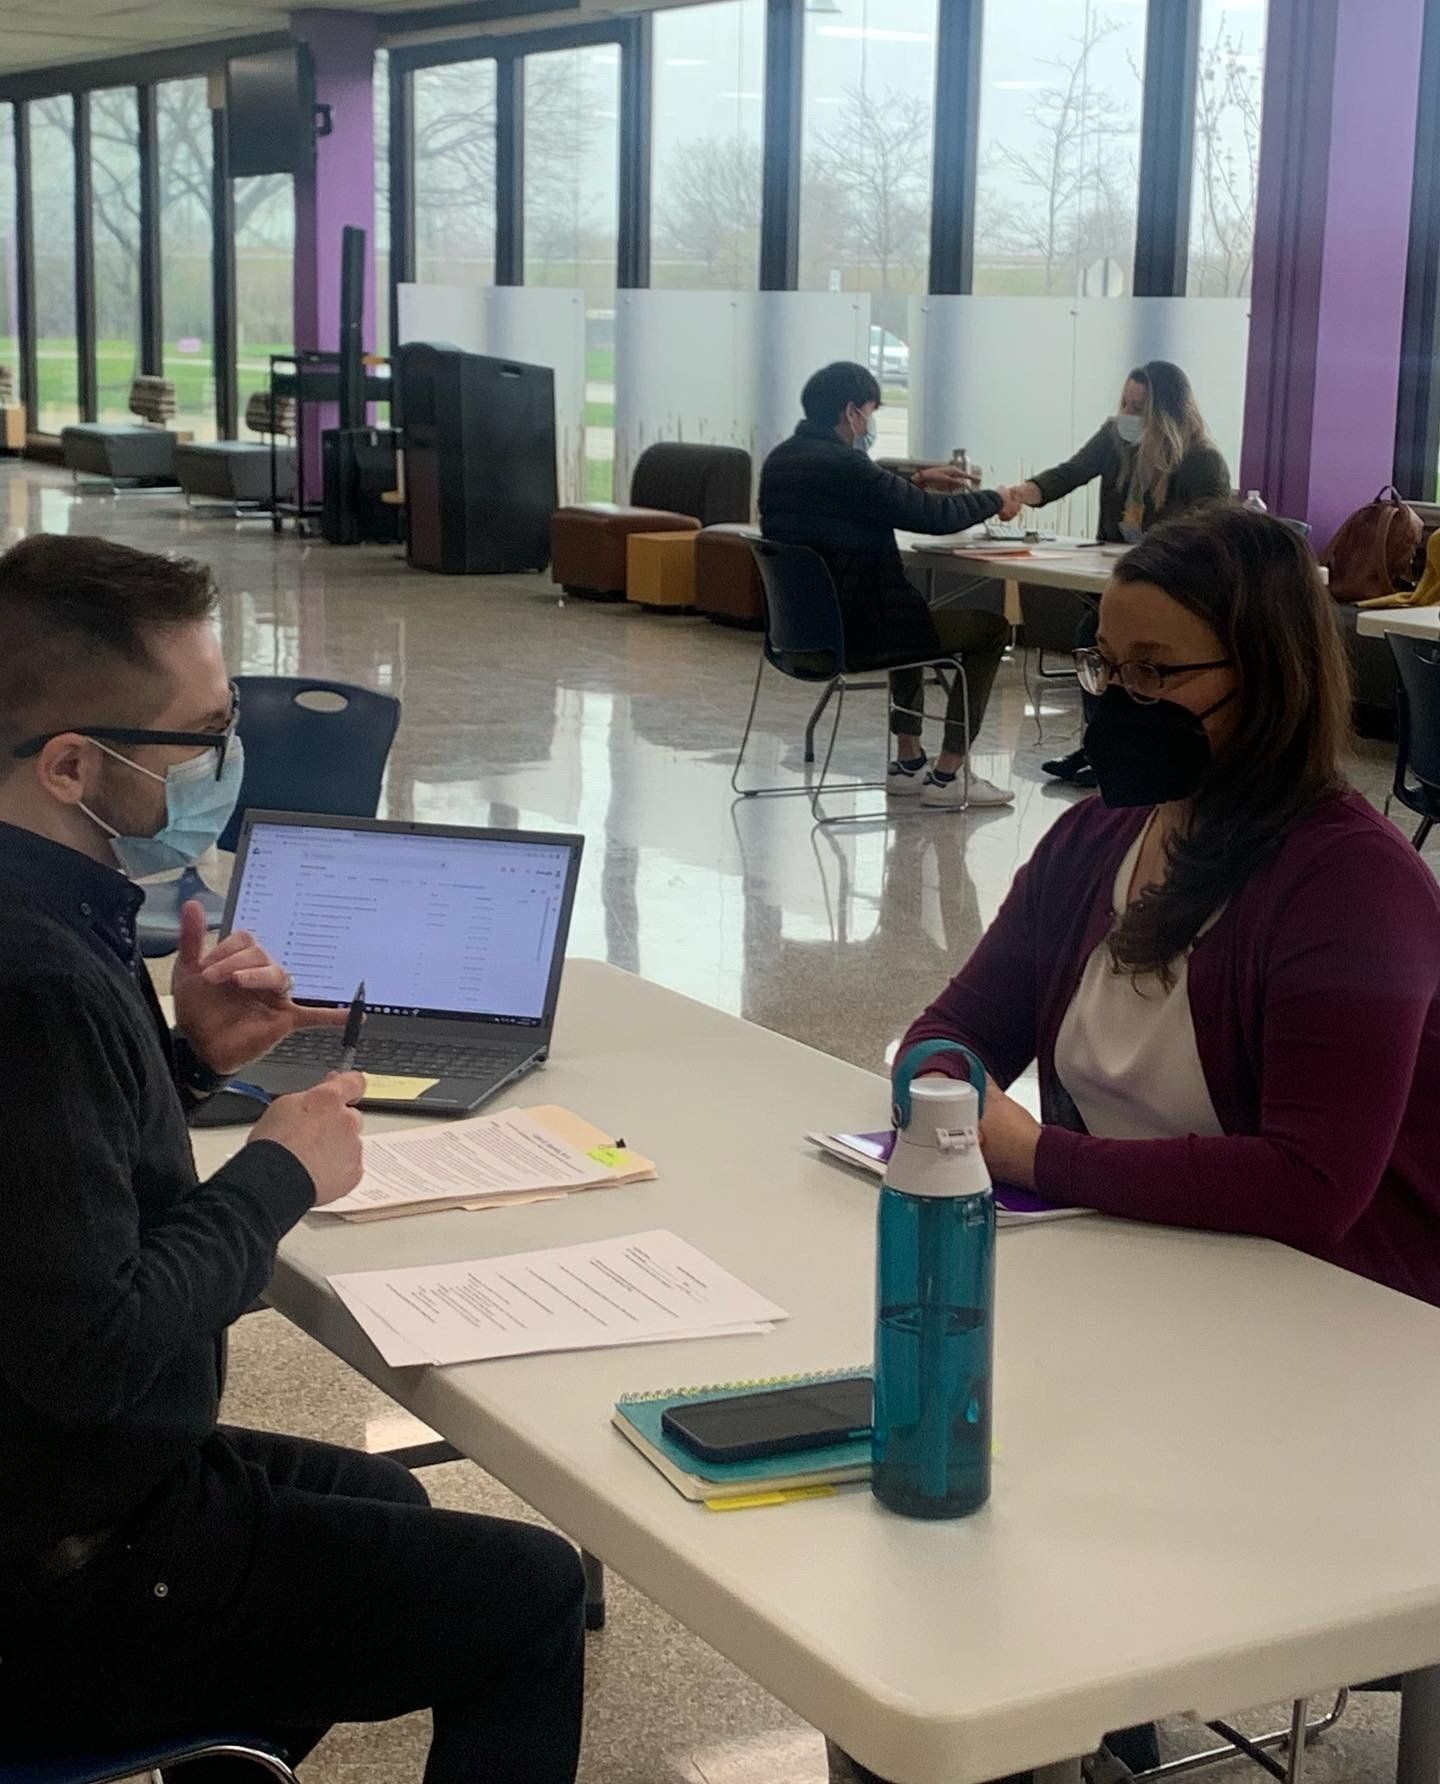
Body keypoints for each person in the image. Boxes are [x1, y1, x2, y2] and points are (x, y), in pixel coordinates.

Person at [0, 535, 585, 1781]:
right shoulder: (35, 975)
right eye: (200, 737)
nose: (226, 766)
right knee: (529, 1594)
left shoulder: (49, 909)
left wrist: (191, 1061)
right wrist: (282, 1169)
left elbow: (42, 1178)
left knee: (396, 1507)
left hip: (64, 1487)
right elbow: (88, 1346)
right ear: (71, 764)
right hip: (63, 1568)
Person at [902, 505, 1440, 1309]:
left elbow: (1312, 1183)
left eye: (1154, 671)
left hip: (1335, 1311)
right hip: (1134, 1272)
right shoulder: (1096, 837)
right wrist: (944, 1092)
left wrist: (1041, 1157)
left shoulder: (1356, 889)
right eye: (1107, 664)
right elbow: (953, 1030)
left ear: (1264, 676)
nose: (1119, 697)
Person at [760, 360, 1027, 810]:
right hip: (860, 634)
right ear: (851, 412)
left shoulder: (782, 460)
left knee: (908, 609)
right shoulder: (848, 466)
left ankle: (908, 761)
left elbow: (861, 498)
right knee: (991, 629)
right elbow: (933, 518)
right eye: (870, 410)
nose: (870, 422)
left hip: (798, 635)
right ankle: (949, 774)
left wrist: (916, 481)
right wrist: (995, 499)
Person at [1011, 359, 1233, 787]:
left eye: (1139, 407)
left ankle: (1112, 747)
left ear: (1165, 413)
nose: (1128, 415)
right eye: (1125, 404)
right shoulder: (1114, 439)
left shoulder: (1202, 461)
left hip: (1174, 590)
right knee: (1094, 638)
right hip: (1120, 579)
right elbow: (1071, 472)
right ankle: (1100, 745)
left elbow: (1209, 537)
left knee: (1094, 635)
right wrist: (1024, 494)